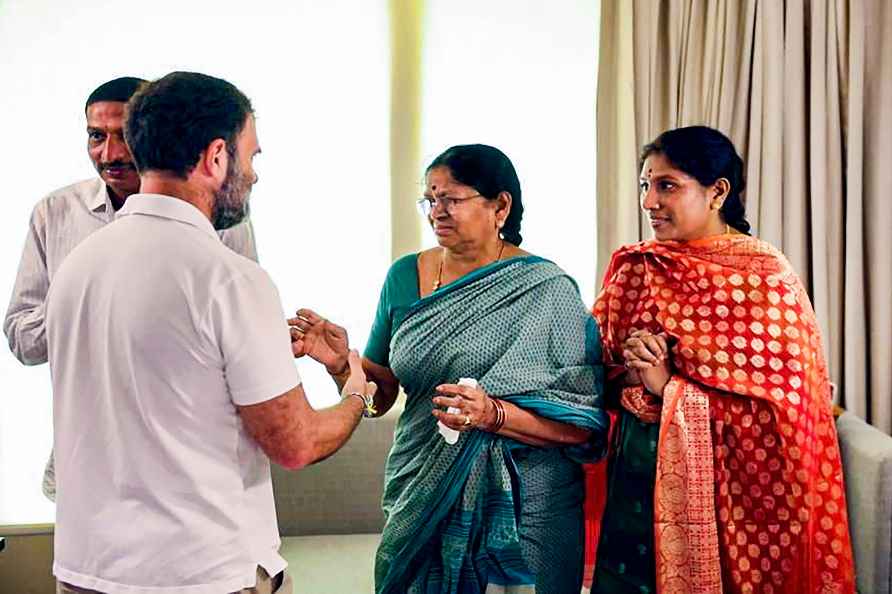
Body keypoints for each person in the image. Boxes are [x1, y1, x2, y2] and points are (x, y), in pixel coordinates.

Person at [45, 71, 375, 594]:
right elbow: (297, 445)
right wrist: (356, 391)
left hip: (86, 572)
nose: (255, 174)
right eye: (252, 156)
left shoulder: (76, 267)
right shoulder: (230, 279)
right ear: (215, 156)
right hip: (199, 577)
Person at [291, 144, 609, 593]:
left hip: (528, 503)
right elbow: (381, 396)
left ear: (500, 206)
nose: (436, 211)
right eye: (429, 199)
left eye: (451, 199)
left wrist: (492, 415)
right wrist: (344, 366)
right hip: (423, 483)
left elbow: (581, 427)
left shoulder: (547, 290)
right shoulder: (403, 276)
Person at [590, 126, 855, 594]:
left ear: (717, 192)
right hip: (635, 485)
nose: (649, 202)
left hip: (733, 502)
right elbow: (593, 371)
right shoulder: (641, 268)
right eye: (645, 186)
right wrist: (630, 371)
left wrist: (666, 385)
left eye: (667, 185)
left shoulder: (764, 277)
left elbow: (788, 415)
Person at [3, 76, 258, 502]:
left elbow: (243, 338)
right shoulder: (54, 214)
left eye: (123, 136)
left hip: (191, 470)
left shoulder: (223, 218)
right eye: (96, 137)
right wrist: (90, 303)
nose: (110, 154)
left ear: (151, 135)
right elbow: (23, 341)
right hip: (86, 468)